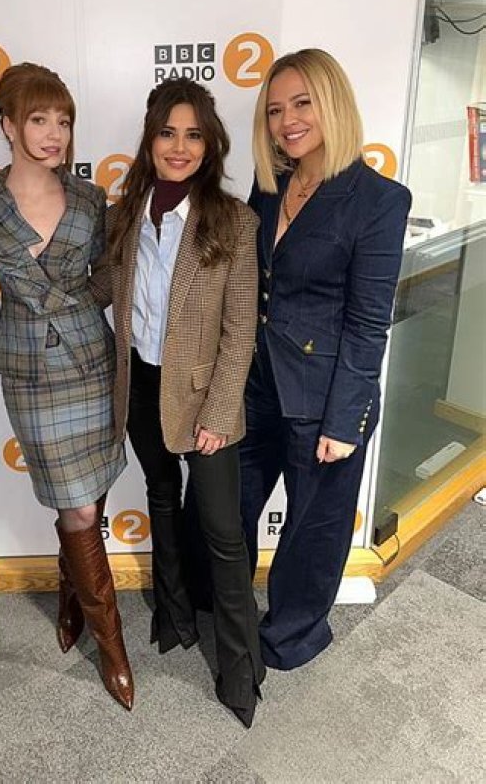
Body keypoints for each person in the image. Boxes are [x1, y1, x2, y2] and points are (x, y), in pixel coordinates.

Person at [0, 62, 134, 711]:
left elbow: (111, 272)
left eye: (63, 120)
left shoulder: (91, 198)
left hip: (92, 365)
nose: (54, 132)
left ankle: (70, 596)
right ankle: (114, 650)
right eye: (38, 119)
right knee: (78, 508)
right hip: (31, 374)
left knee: (87, 501)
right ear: (8, 125)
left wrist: (76, 304)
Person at [91, 77, 264, 728]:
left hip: (204, 397)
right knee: (161, 497)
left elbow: (240, 331)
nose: (180, 147)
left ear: (210, 144)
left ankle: (241, 668)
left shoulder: (234, 221)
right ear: (150, 139)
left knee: (222, 531)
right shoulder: (123, 214)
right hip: (139, 384)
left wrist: (219, 415)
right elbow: (101, 288)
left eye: (194, 135)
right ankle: (173, 614)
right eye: (168, 133)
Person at [238, 48, 412, 670]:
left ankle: (290, 637)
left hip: (327, 399)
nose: (287, 121)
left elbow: (368, 322)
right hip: (258, 384)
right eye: (275, 109)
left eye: (302, 103)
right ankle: (227, 614)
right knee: (229, 507)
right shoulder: (270, 187)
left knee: (313, 531)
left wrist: (344, 422)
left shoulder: (379, 199)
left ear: (333, 103)